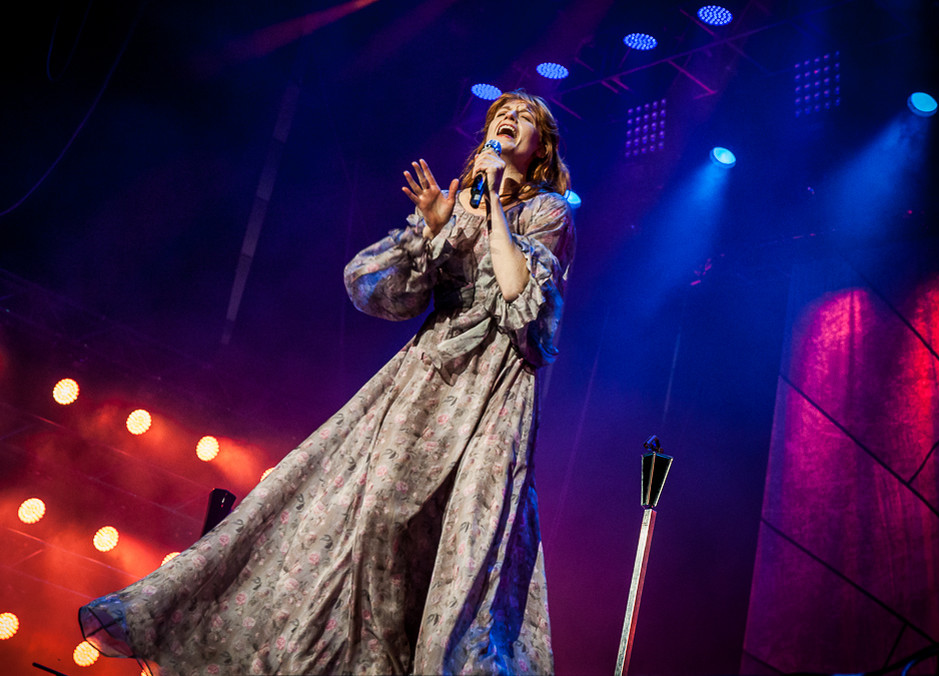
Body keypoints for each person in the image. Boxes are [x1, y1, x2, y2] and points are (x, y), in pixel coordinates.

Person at [78, 89, 575, 675]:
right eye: (500, 115)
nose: (508, 120)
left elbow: (523, 300)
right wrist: (434, 231)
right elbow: (377, 291)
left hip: (492, 393)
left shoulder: (549, 211)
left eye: (523, 118)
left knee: (463, 545)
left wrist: (491, 203)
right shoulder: (455, 205)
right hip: (425, 388)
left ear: (540, 146)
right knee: (378, 520)